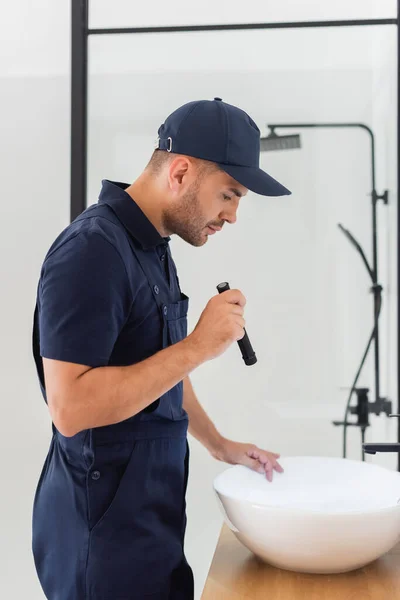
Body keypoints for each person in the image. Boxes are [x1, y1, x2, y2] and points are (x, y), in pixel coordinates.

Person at [31, 97, 290, 600]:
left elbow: (159, 366)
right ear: (182, 172)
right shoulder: (92, 250)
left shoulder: (152, 245)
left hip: (150, 527)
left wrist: (219, 444)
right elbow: (70, 408)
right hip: (100, 541)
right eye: (229, 195)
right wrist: (198, 346)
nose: (233, 216)